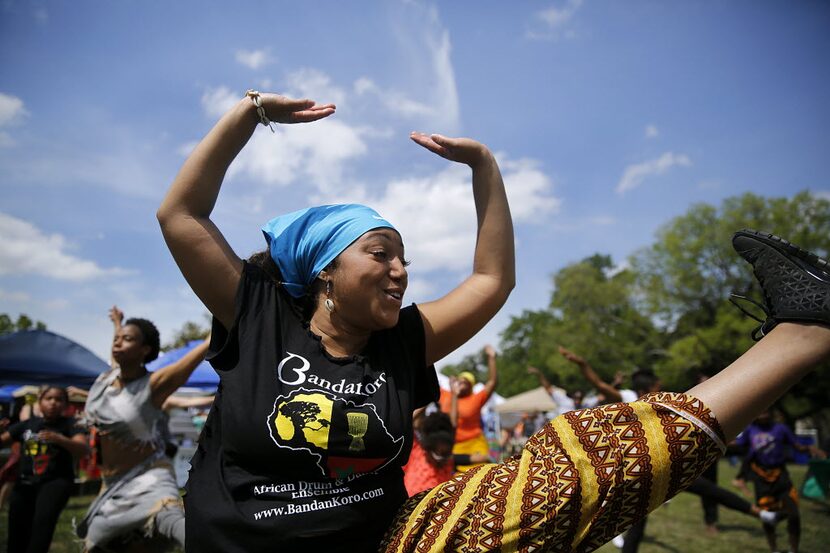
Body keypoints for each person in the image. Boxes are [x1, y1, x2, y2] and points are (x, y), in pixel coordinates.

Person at [157, 88, 830, 552]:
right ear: (326, 269)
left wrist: (485, 168)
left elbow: (491, 279)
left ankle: (804, 330)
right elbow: (180, 215)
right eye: (380, 253)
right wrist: (249, 113)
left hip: (393, 542)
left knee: (569, 469)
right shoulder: (259, 311)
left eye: (406, 258)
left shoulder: (403, 341)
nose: (401, 270)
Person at [76, 307, 210, 552]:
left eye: (127, 339)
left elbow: (195, 357)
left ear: (144, 350)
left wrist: (220, 325)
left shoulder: (153, 385)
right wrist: (119, 324)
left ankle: (220, 544)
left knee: (171, 521)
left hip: (150, 476)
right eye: (117, 339)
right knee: (96, 543)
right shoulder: (107, 379)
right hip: (113, 484)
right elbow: (119, 348)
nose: (118, 343)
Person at [1, 386, 89, 553]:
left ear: (65, 404)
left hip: (54, 483)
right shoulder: (27, 425)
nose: (53, 403)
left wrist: (60, 439)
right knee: (16, 530)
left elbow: (83, 450)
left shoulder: (71, 425)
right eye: (49, 399)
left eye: (59, 399)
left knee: (41, 527)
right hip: (24, 483)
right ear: (40, 401)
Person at [734, 409, 826, 553]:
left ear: (771, 412)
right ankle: (774, 549)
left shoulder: (780, 428)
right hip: (762, 479)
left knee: (794, 514)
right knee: (768, 517)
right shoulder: (750, 430)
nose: (763, 413)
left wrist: (809, 448)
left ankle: (794, 550)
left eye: (766, 410)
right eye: (760, 410)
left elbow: (797, 446)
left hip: (781, 477)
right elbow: (737, 444)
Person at [438, 345, 499, 471]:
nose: (462, 384)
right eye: (461, 381)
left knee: (480, 475)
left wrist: (491, 357)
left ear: (471, 386)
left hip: (474, 443)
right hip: (454, 446)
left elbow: (492, 382)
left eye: (466, 382)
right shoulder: (445, 395)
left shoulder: (475, 399)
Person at [527, 365, 600, 416]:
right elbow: (548, 388)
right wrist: (539, 374)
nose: (577, 401)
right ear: (572, 397)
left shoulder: (586, 403)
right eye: (576, 398)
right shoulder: (564, 400)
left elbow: (603, 394)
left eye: (580, 399)